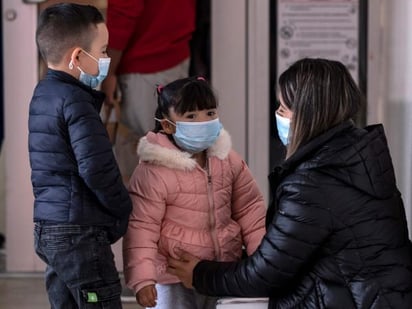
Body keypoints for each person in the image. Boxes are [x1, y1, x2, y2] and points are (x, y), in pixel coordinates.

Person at [167, 58, 412, 308]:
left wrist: (200, 274)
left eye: (283, 109)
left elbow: (266, 273)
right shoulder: (356, 157)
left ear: (309, 114)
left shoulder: (315, 181)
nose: (278, 115)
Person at [122, 76, 267, 308]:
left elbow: (250, 209)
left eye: (209, 113)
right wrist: (142, 278)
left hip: (221, 269)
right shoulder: (154, 171)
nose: (203, 121)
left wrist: (262, 260)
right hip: (173, 275)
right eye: (191, 116)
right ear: (168, 125)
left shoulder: (227, 159)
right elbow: (141, 227)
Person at [29, 3, 132, 308]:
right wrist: (124, 207)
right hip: (79, 232)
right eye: (102, 51)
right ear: (77, 56)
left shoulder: (42, 94)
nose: (105, 60)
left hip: (48, 228)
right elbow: (97, 168)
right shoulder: (77, 102)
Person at [101, 0, 196, 183]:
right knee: (169, 157)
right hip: (172, 50)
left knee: (153, 164)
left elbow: (125, 9)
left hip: (145, 59)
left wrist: (108, 70)